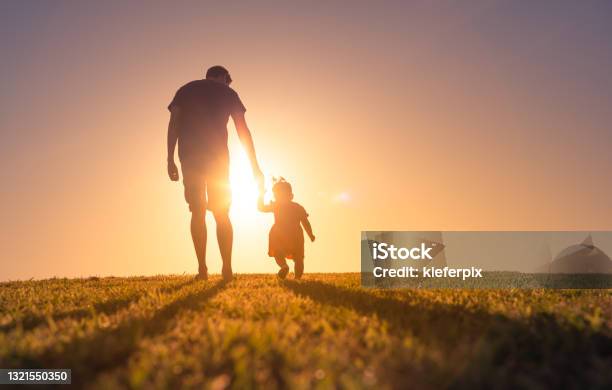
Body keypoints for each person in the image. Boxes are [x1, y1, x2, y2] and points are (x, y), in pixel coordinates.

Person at [167, 65, 264, 282]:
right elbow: (243, 131)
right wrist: (254, 166)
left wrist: (169, 158)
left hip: (190, 157)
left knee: (197, 212)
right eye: (228, 81)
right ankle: (227, 268)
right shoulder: (228, 93)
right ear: (223, 78)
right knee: (221, 213)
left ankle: (202, 269)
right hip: (217, 159)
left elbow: (173, 124)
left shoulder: (185, 90)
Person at [258, 178, 315, 279]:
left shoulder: (276, 205)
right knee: (298, 259)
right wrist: (310, 234)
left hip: (279, 234)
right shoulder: (298, 207)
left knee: (278, 253)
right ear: (291, 196)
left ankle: (284, 266)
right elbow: (305, 222)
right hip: (295, 236)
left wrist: (261, 194)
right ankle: (297, 278)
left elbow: (261, 207)